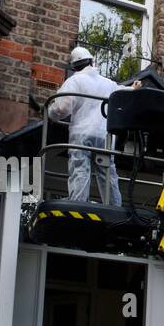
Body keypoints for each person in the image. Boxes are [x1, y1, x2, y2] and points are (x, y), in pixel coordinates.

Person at [47, 46, 122, 207]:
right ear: (91, 61)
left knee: (80, 169)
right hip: (104, 136)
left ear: (74, 66)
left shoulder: (75, 80)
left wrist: (51, 113)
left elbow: (62, 108)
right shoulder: (108, 84)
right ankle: (115, 207)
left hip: (82, 134)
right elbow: (123, 93)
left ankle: (78, 205)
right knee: (107, 172)